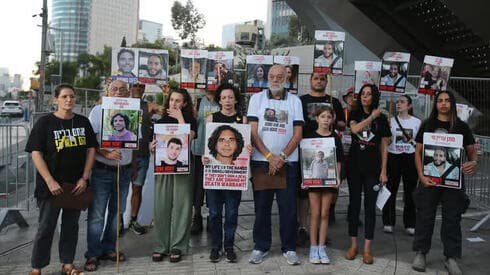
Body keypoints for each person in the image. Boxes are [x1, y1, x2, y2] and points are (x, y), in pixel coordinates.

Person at [26, 84, 97, 275]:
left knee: (70, 227)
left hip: (75, 186)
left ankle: (67, 264)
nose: (69, 100)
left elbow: (91, 149)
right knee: (45, 228)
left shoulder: (83, 122)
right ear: (55, 100)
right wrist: (50, 181)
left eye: (72, 97)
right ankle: (37, 267)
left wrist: (84, 178)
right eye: (65, 96)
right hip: (51, 187)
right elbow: (36, 153)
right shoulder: (44, 123)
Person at [411, 90, 477, 275]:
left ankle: (451, 258)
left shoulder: (461, 127)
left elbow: (472, 153)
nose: (444, 104)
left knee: (452, 220)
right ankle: (421, 253)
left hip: (453, 182)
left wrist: (473, 163)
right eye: (440, 100)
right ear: (435, 104)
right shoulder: (427, 125)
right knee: (425, 217)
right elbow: (418, 153)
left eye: (447, 100)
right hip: (429, 179)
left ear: (452, 104)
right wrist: (422, 177)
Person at [247, 64, 303, 265]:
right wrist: (270, 156)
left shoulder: (295, 101)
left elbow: (298, 135)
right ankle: (260, 246)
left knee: (288, 209)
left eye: (280, 76)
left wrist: (281, 157)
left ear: (286, 79)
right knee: (262, 208)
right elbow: (252, 132)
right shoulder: (256, 99)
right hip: (262, 163)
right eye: (272, 76)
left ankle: (289, 247)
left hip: (288, 164)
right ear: (267, 78)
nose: (275, 79)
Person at [85, 80, 134, 272]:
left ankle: (109, 248)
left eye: (123, 89)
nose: (119, 92)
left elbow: (135, 141)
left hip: (125, 170)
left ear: (128, 93)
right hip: (102, 170)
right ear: (107, 91)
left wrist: (134, 166)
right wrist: (105, 153)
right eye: (115, 89)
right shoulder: (98, 111)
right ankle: (93, 253)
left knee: (117, 213)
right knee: (97, 215)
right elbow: (90, 141)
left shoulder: (133, 110)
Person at [150, 88, 197, 263]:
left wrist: (179, 119)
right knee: (161, 206)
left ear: (184, 103)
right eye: (171, 100)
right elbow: (153, 145)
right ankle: (162, 245)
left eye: (178, 101)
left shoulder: (191, 121)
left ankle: (178, 245)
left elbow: (189, 138)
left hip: (183, 168)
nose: (174, 103)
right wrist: (151, 147)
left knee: (182, 207)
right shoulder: (160, 122)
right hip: (163, 170)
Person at [202, 83, 248, 263]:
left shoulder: (242, 120)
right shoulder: (211, 118)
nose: (227, 101)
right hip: (214, 174)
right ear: (218, 100)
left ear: (236, 99)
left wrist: (248, 149)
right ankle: (215, 246)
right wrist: (204, 158)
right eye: (223, 97)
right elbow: (208, 147)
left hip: (234, 176)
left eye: (230, 97)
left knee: (231, 213)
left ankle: (229, 246)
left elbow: (244, 146)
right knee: (214, 213)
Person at [345, 83, 391, 265]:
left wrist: (384, 170)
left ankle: (367, 249)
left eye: (369, 94)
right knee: (354, 206)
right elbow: (355, 130)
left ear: (374, 97)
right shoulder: (355, 113)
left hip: (373, 169)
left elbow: (384, 146)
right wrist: (372, 117)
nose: (365, 97)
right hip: (354, 168)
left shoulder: (383, 119)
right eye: (362, 93)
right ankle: (353, 245)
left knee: (370, 209)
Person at [298, 72, 345, 245]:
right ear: (310, 81)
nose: (319, 81)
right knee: (304, 194)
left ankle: (319, 231)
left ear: (326, 81)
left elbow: (342, 125)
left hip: (327, 148)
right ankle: (303, 227)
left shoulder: (334, 101)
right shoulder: (301, 100)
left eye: (322, 78)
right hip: (306, 149)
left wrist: (332, 121)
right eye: (316, 78)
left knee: (324, 194)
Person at [304, 106, 343, 264]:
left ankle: (322, 247)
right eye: (323, 116)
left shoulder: (335, 138)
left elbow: (338, 160)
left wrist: (338, 178)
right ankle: (313, 247)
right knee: (314, 214)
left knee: (325, 213)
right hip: (313, 182)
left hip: (328, 181)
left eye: (329, 117)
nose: (326, 119)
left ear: (332, 119)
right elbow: (305, 162)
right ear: (317, 118)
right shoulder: (309, 137)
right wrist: (305, 179)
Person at [382, 95, 421, 235]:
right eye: (397, 102)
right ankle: (388, 221)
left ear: (409, 106)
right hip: (394, 156)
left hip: (410, 157)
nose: (399, 104)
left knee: (410, 191)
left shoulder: (417, 122)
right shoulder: (391, 121)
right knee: (390, 190)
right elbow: (386, 141)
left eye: (402, 102)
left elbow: (419, 142)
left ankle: (410, 223)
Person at [190, 87, 220, 235]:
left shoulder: (221, 100)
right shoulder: (199, 101)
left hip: (216, 151)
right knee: (197, 186)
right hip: (198, 149)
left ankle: (211, 216)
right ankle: (197, 216)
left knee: (212, 185)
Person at [128, 83, 153, 236]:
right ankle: (117, 222)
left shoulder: (148, 106)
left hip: (142, 154)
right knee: (120, 189)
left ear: (144, 89)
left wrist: (167, 90)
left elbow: (166, 109)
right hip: (124, 156)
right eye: (134, 85)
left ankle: (133, 220)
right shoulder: (121, 103)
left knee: (137, 188)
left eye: (141, 86)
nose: (137, 88)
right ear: (129, 87)